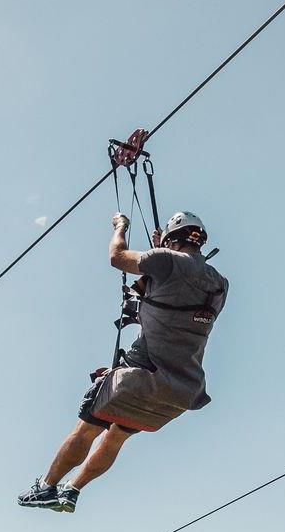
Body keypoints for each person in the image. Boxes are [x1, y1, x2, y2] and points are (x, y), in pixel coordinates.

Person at [19, 209, 229, 513]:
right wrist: (161, 253)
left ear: (172, 240)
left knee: (87, 429)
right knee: (116, 437)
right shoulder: (220, 284)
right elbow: (176, 295)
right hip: (180, 392)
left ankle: (47, 486)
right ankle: (73, 490)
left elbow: (117, 257)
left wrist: (121, 226)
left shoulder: (166, 261)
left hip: (140, 380)